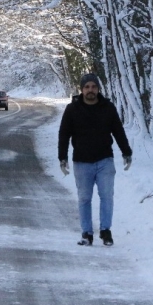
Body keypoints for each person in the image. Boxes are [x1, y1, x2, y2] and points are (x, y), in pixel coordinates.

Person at [58, 73, 133, 246]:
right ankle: (87, 233)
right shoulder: (72, 109)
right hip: (82, 162)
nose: (90, 90)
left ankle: (106, 231)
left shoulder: (108, 107)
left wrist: (126, 152)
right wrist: (62, 157)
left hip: (104, 160)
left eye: (93, 87)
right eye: (87, 87)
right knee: (84, 198)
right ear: (82, 89)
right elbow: (64, 134)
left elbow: (118, 131)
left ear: (98, 88)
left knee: (106, 196)